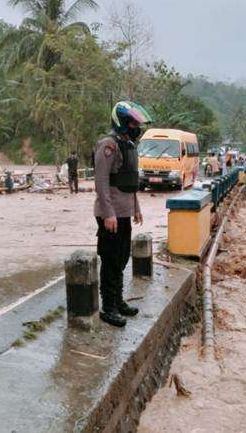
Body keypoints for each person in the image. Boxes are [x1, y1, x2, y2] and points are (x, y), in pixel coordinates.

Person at [94, 101, 152, 327]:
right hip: (110, 214)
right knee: (110, 260)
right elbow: (101, 183)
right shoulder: (108, 145)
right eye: (132, 123)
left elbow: (129, 182)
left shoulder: (127, 145)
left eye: (137, 123)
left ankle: (118, 301)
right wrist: (108, 213)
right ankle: (108, 307)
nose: (136, 127)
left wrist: (136, 208)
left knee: (122, 258)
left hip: (124, 212)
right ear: (121, 122)